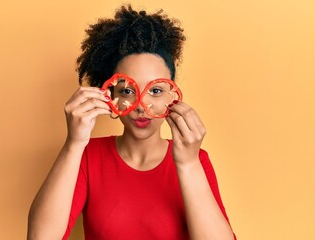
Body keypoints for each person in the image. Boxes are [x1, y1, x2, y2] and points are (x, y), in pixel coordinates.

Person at [27, 5, 236, 240]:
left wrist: (187, 164)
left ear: (173, 95)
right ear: (110, 94)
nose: (140, 105)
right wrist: (74, 143)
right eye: (127, 90)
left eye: (155, 90)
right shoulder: (88, 156)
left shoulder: (196, 160)